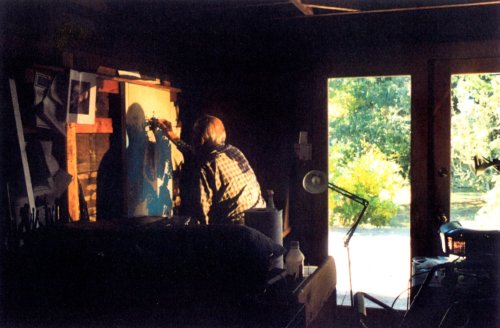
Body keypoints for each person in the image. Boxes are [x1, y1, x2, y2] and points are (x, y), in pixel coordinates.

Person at [156, 115, 265, 224]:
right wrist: (171, 134)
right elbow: (196, 154)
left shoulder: (205, 167)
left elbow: (202, 217)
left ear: (201, 140)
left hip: (238, 230)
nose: (192, 137)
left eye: (194, 134)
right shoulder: (234, 151)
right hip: (264, 220)